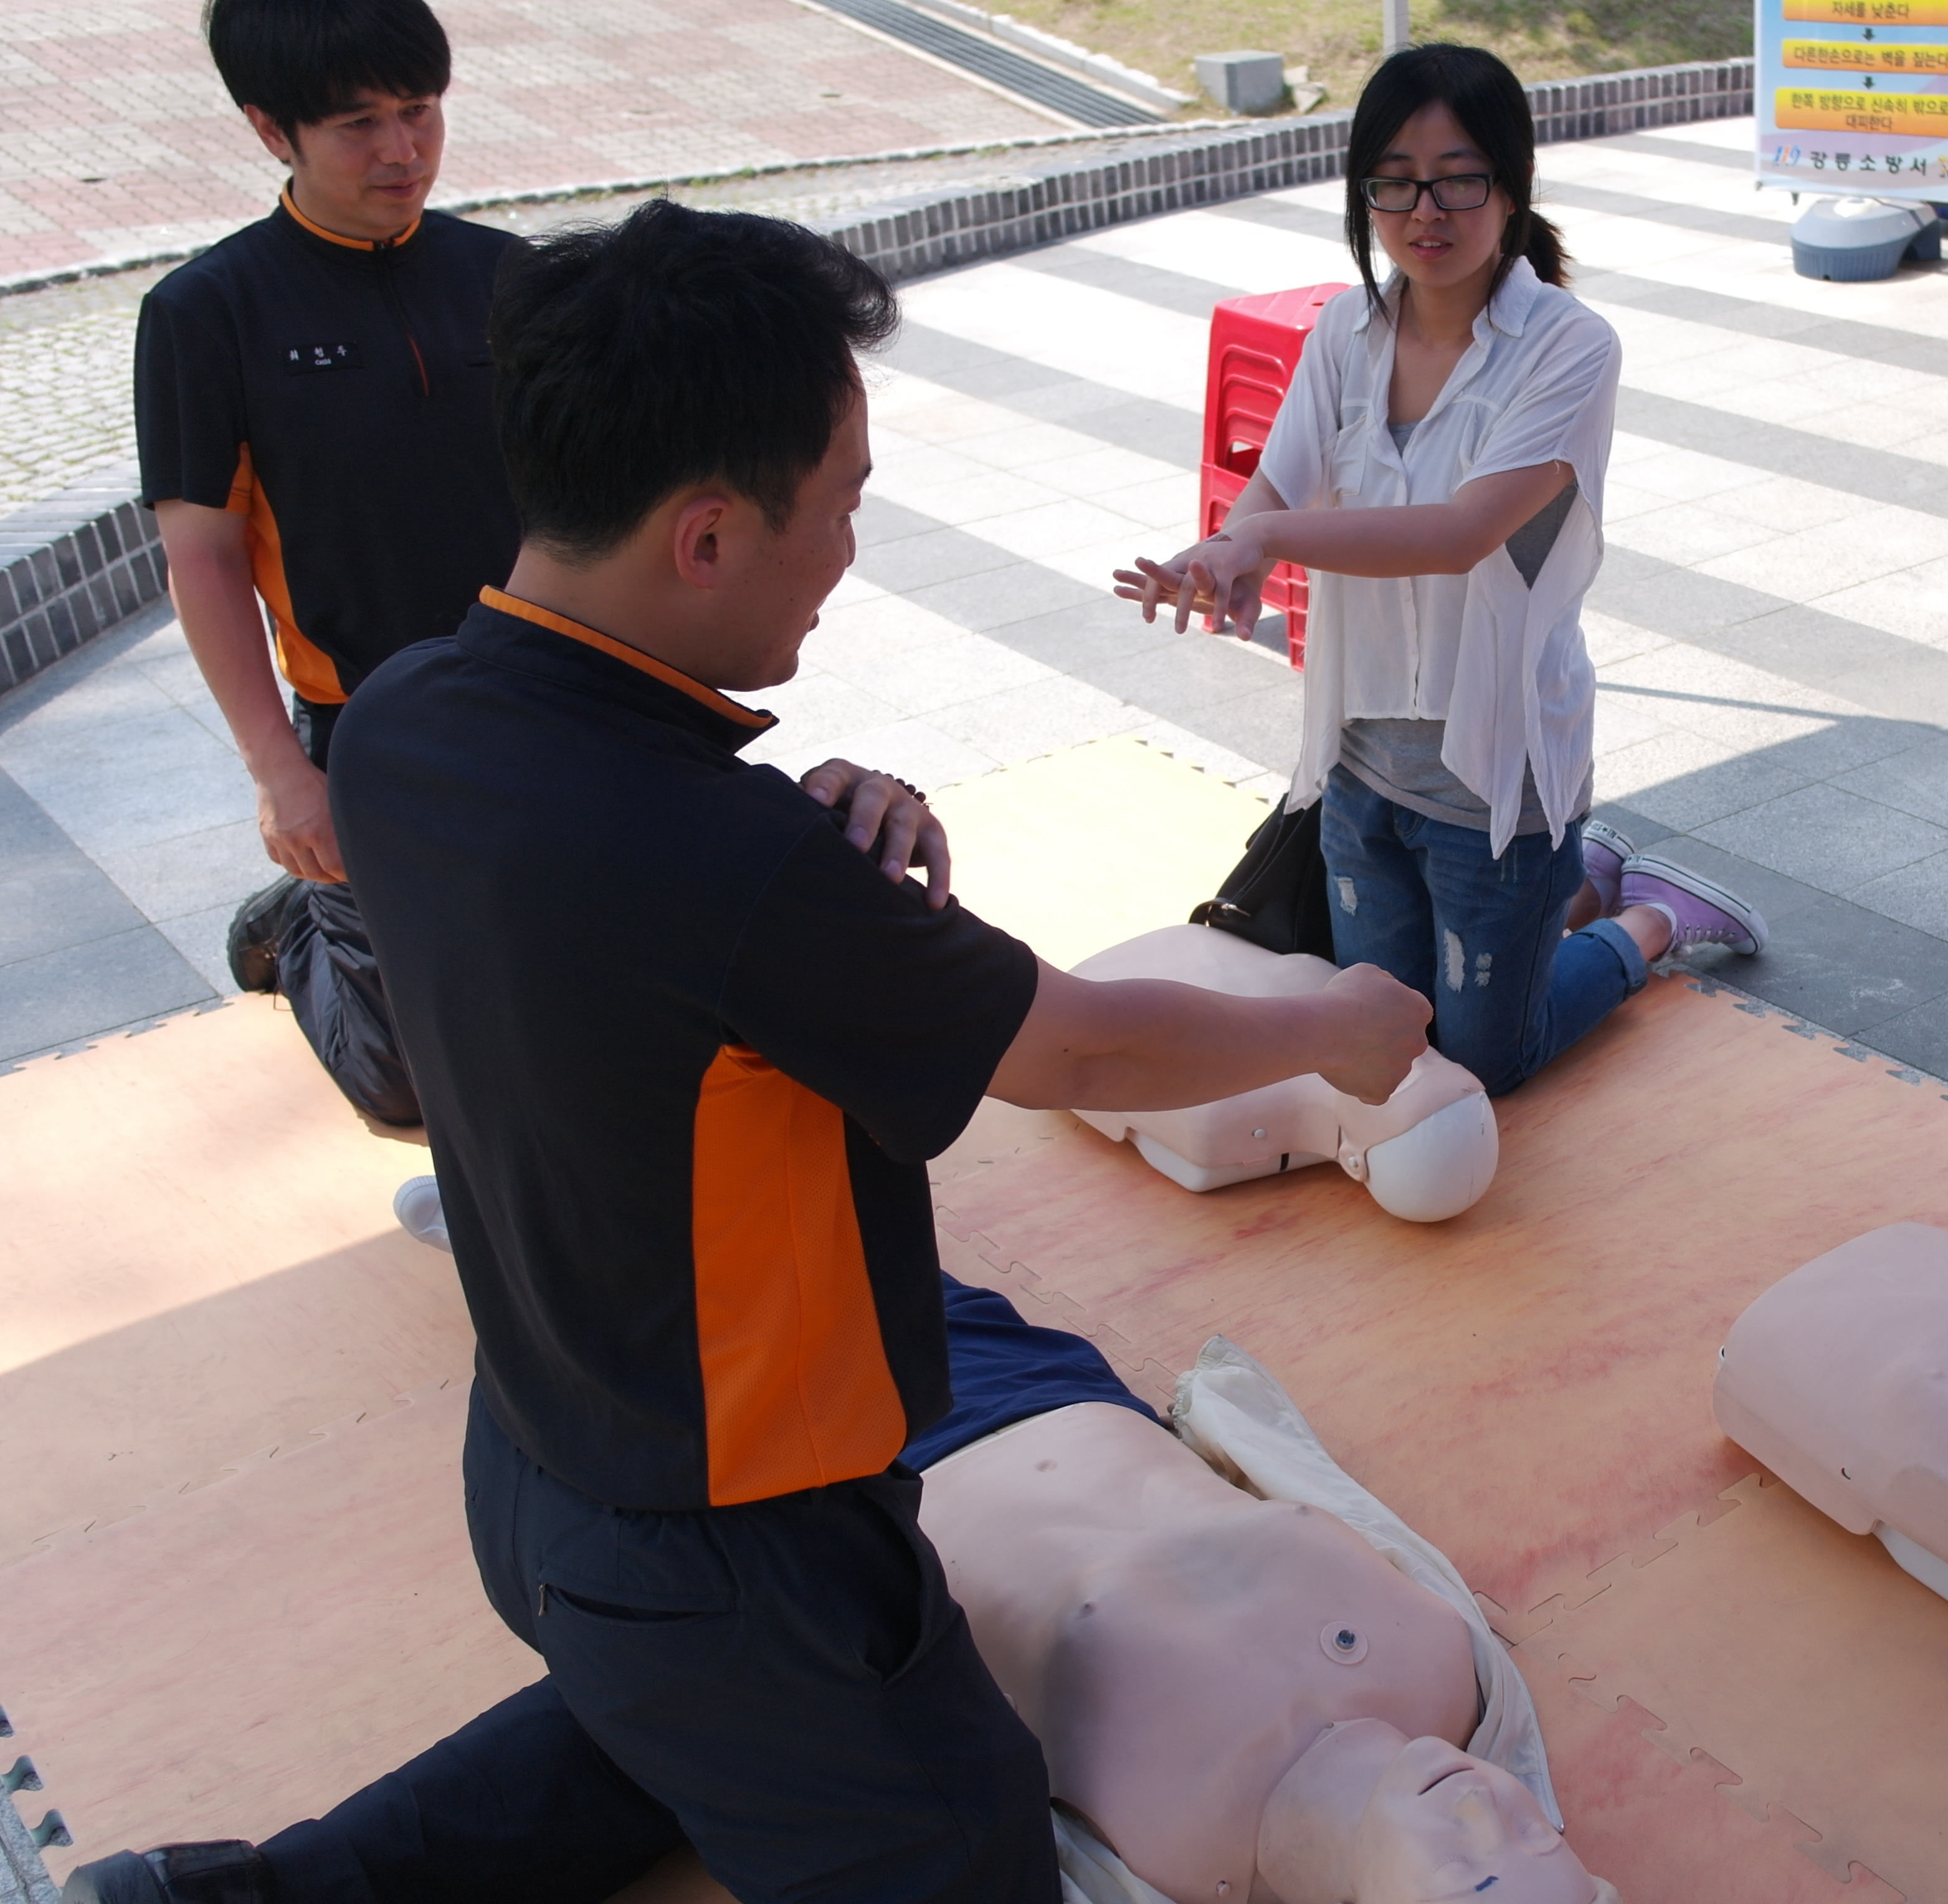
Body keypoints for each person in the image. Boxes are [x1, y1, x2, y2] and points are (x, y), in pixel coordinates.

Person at [64, 199, 1431, 1904]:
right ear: (706, 534)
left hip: (546, 1460)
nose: (850, 547)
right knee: (956, 1843)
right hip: (741, 1538)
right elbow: (1072, 1051)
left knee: (654, 1730)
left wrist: (808, 822)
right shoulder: (731, 868)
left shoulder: (404, 724)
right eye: (841, 503)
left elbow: (625, 906)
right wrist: (1336, 1024)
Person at [66, 1290, 1606, 1904]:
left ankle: (241, 1893)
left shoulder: (1168, 1862)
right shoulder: (1461, 1684)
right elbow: (1323, 1496)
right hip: (1030, 1379)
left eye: (1479, 1883)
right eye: (1552, 1854)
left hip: (831, 1515)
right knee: (802, 1202)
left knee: (663, 1709)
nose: (1507, 1817)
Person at [1114, 44, 1768, 1099]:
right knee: (1387, 1041)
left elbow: (1461, 532)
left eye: (1459, 179)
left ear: (1511, 187)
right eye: (1396, 182)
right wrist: (1224, 557)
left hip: (1496, 776)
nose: (1426, 211)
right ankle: (1583, 881)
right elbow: (1274, 487)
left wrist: (1265, 543)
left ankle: (1653, 919)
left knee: (1481, 1064)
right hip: (1356, 759)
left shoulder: (1569, 347)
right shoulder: (1346, 330)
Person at [137, 0, 516, 1129]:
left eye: (420, 110)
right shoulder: (206, 314)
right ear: (272, 130)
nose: (402, 150)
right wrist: (281, 775)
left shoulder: (512, 277)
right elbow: (204, 561)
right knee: (403, 1091)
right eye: (358, 124)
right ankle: (300, 922)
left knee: (582, 991)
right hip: (366, 723)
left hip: (540, 693)